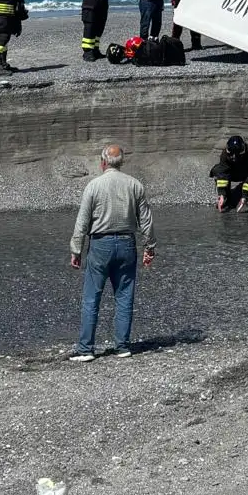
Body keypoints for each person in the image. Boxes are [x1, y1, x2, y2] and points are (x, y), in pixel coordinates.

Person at [68, 144, 156, 360]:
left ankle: (86, 349)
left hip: (100, 244)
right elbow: (146, 220)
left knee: (92, 298)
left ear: (103, 162)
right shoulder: (135, 185)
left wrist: (76, 249)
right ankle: (122, 346)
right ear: (121, 162)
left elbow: (82, 221)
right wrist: (149, 247)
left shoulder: (94, 186)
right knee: (124, 297)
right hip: (127, 244)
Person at [211, 135, 248, 213]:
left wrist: (245, 197)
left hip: (245, 173)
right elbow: (222, 174)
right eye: (232, 154)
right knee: (217, 170)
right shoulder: (225, 154)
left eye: (237, 154)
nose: (234, 157)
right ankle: (226, 198)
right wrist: (222, 194)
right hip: (232, 173)